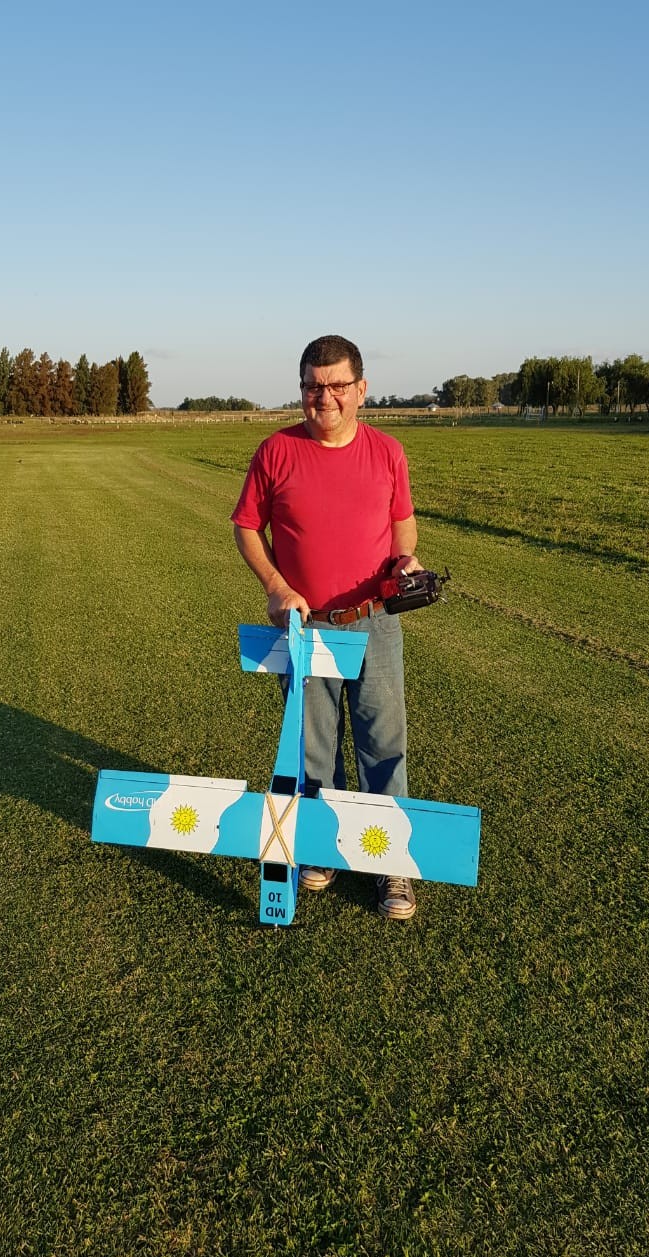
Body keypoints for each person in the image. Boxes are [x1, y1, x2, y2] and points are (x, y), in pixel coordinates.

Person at [231, 335, 423, 920]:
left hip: (375, 624)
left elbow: (403, 527)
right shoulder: (275, 451)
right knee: (313, 747)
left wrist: (404, 564)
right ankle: (319, 848)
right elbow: (245, 527)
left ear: (361, 390)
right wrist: (274, 584)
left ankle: (389, 863)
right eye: (314, 385)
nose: (325, 397)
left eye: (338, 385)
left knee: (383, 746)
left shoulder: (388, 452)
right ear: (302, 390)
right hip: (307, 627)